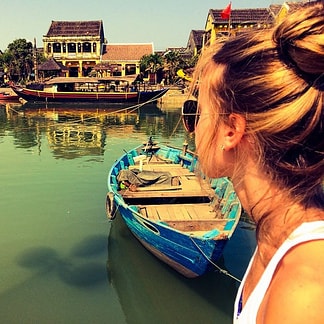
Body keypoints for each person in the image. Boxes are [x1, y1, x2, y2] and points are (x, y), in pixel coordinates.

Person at [182, 2, 324, 323]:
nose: (192, 126)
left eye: (198, 112)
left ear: (231, 130)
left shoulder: (304, 290)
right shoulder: (276, 235)